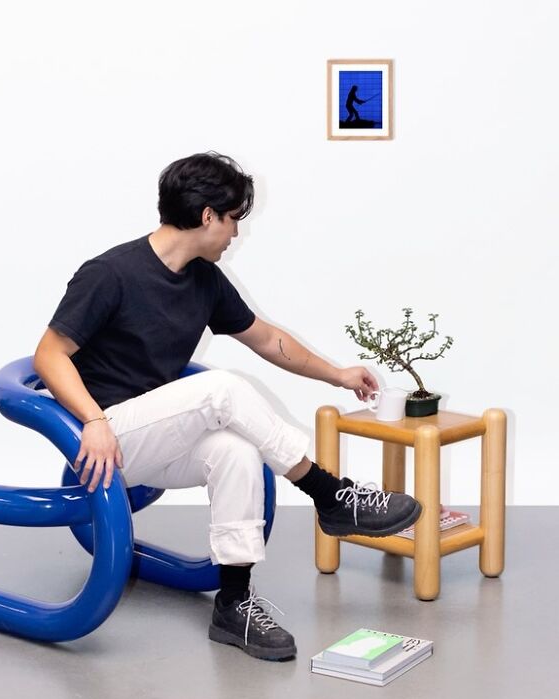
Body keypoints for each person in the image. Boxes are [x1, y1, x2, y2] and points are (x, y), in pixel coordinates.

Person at [33, 152, 422, 662]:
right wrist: (94, 420)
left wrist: (339, 374)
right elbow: (48, 353)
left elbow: (266, 339)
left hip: (153, 439)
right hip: (104, 442)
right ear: (208, 215)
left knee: (237, 451)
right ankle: (331, 494)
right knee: (222, 388)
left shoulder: (204, 279)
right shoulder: (110, 273)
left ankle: (234, 602)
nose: (237, 232)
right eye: (235, 218)